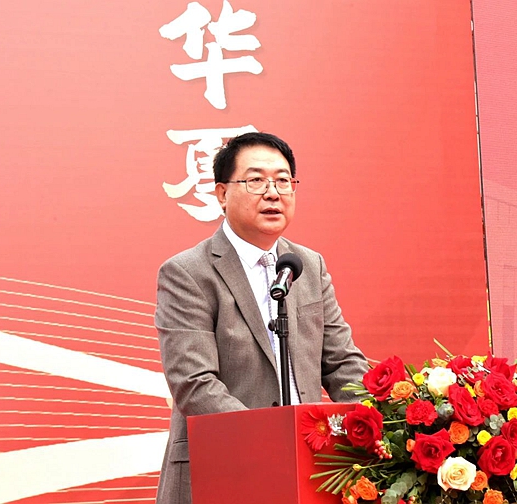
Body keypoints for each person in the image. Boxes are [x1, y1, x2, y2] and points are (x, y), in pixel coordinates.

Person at [154, 132, 368, 504]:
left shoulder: (307, 265)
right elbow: (194, 384)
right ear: (222, 194)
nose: (273, 193)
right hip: (223, 468)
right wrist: (271, 444)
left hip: (311, 470)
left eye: (283, 181)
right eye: (256, 180)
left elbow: (342, 363)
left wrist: (383, 419)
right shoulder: (188, 272)